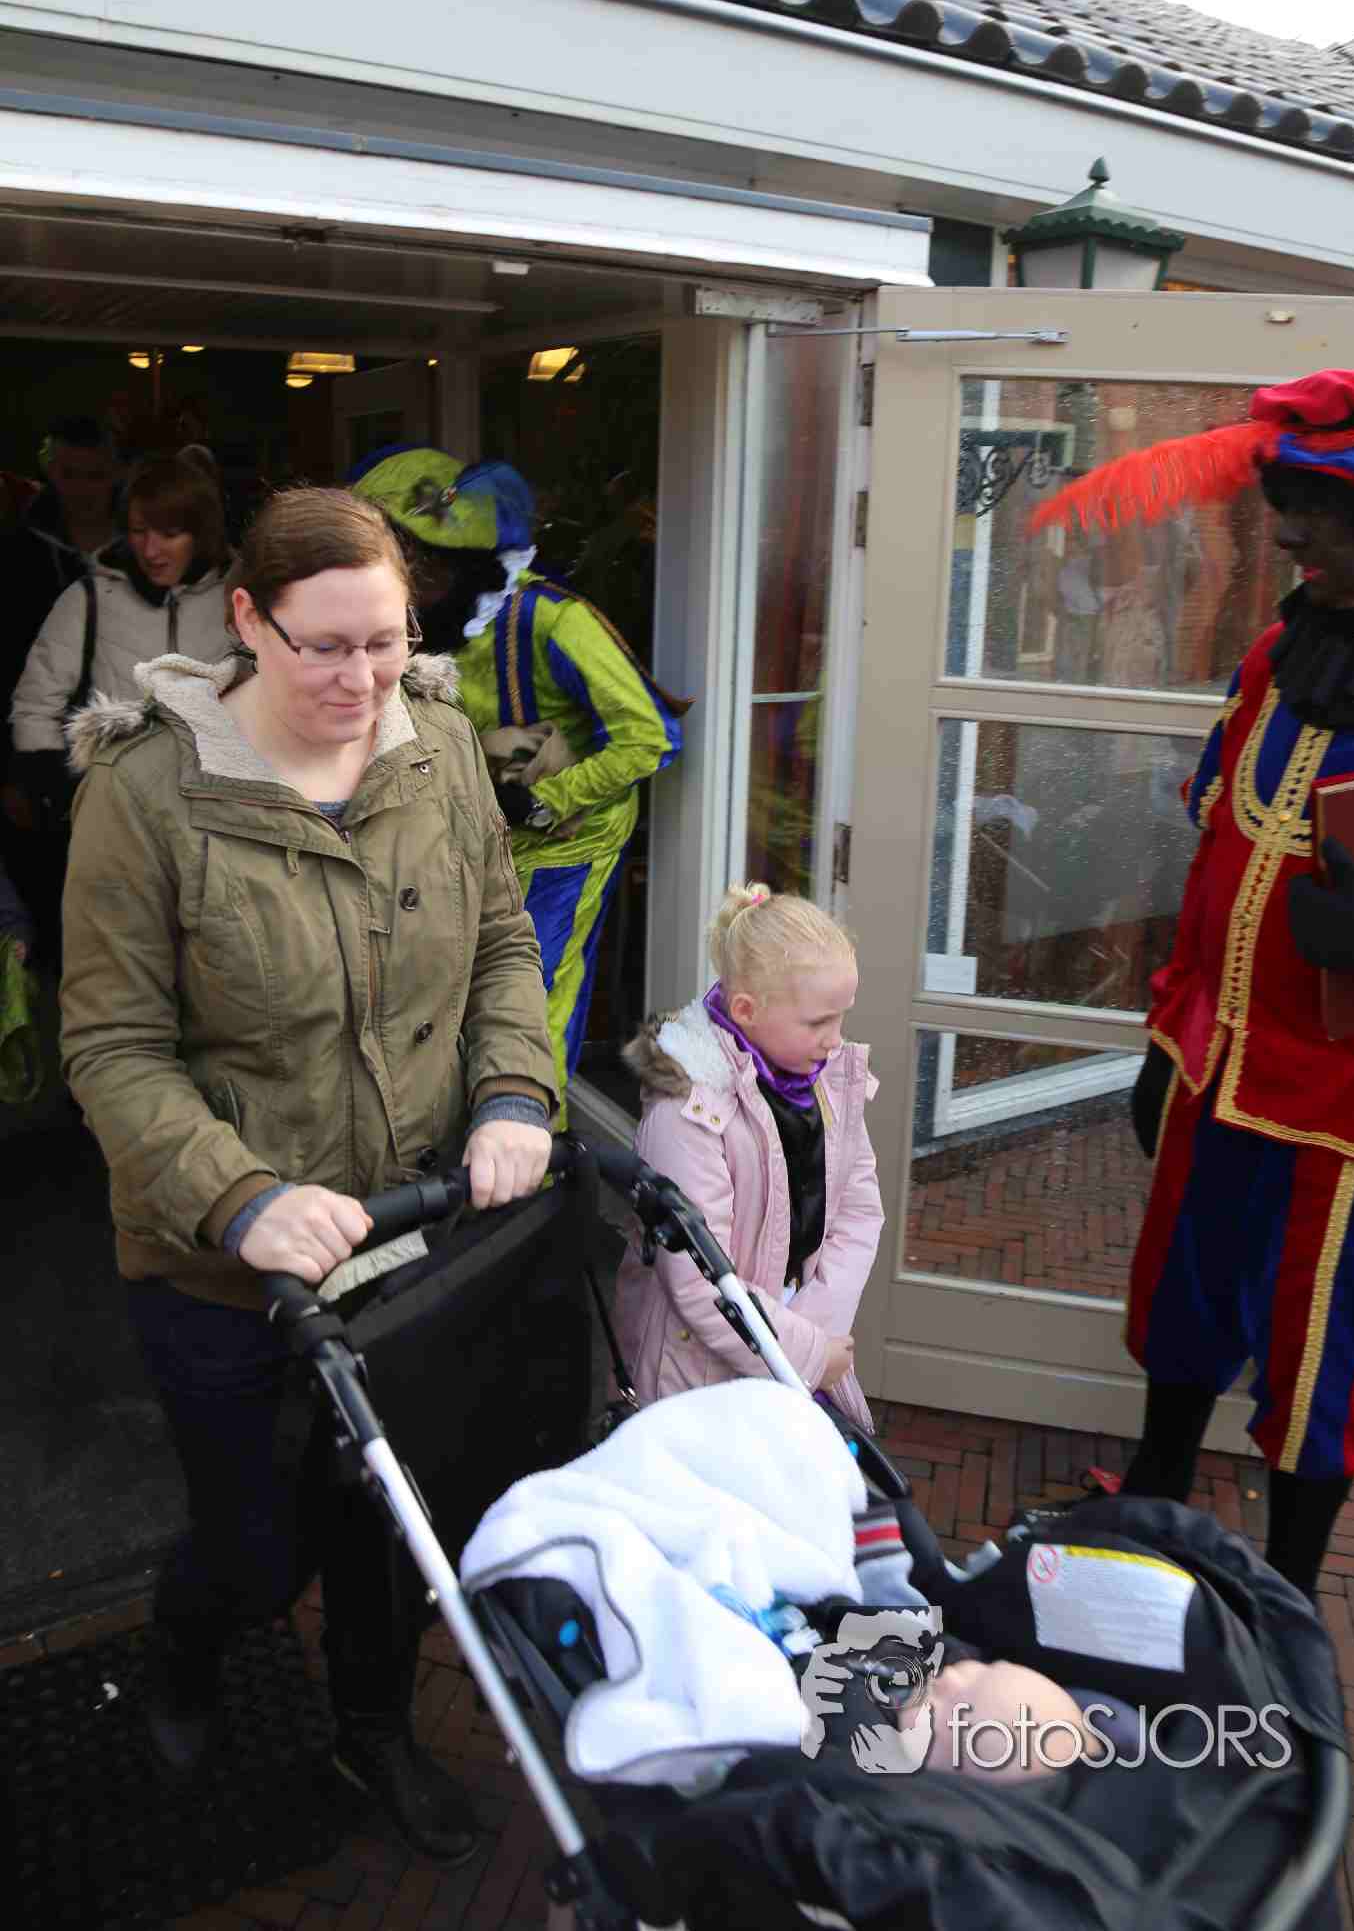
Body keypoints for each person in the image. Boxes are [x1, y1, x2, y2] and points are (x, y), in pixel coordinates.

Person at [58, 486, 557, 1861]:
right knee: (255, 1544)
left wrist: (513, 1093)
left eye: (386, 642)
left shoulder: (438, 750)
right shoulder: (144, 795)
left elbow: (502, 942)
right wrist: (245, 1198)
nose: (361, 680)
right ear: (245, 620)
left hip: (410, 1240)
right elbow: (111, 1048)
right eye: (323, 646)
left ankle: (372, 1733)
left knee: (391, 1520)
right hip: (224, 1272)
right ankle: (187, 1646)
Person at [1029, 366, 1354, 1600]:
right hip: (1217, 1063)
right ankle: (1152, 1500)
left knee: (1319, 1355)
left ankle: (1285, 1597)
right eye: (1282, 502)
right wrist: (1167, 1030)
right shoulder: (1279, 653)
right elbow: (1221, 847)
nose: (1283, 533)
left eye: (1314, 508)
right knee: (1180, 1299)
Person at [345, 446, 687, 1118]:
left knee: (534, 991)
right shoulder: (419, 626)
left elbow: (650, 736)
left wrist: (545, 799)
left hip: (563, 843)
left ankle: (540, 1142)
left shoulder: (552, 619)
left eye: (407, 557)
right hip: (475, 831)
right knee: (461, 988)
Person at [613, 882, 884, 1428]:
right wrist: (808, 1354)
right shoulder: (687, 1112)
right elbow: (698, 1281)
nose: (835, 1040)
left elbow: (859, 1209)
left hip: (789, 1345)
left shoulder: (825, 1077)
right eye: (818, 1022)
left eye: (841, 1018)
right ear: (746, 1010)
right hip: (700, 1377)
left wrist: (813, 1330)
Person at [10, 454, 233, 817]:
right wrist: (57, 787)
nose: (150, 550)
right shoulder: (89, 598)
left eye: (169, 534)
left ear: (201, 534)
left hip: (219, 813)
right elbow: (35, 705)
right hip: (116, 812)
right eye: (138, 531)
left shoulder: (239, 602)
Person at [0, 414, 120, 954]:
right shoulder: (17, 554)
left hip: (127, 744)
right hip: (45, 757)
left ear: (114, 475)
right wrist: (12, 774)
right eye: (71, 474)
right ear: (51, 473)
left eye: (95, 475)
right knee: (53, 909)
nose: (83, 489)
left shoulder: (145, 548)